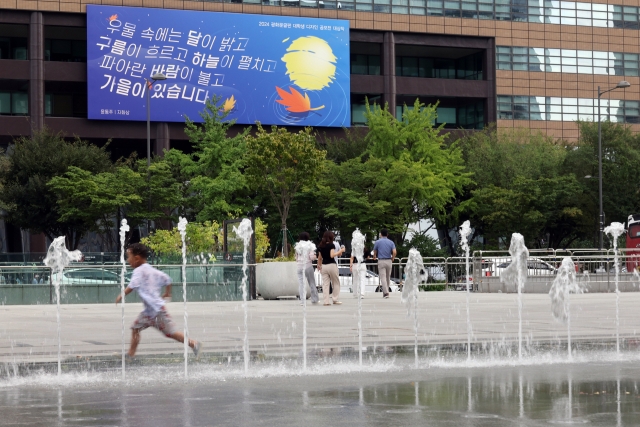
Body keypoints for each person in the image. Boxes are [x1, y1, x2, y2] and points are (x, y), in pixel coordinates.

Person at [115, 243, 201, 359]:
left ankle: (193, 344)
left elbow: (132, 285)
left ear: (137, 258)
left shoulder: (139, 271)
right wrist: (167, 292)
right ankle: (130, 354)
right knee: (136, 328)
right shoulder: (152, 270)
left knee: (170, 333)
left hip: (156, 311)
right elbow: (167, 279)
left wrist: (122, 295)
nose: (127, 260)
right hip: (150, 311)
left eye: (129, 257)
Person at [316, 231, 345, 306]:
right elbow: (332, 255)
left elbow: (319, 258)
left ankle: (326, 301)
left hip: (324, 266)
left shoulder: (321, 246)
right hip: (332, 265)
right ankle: (335, 299)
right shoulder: (331, 245)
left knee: (325, 284)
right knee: (336, 282)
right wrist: (341, 251)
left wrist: (319, 266)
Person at [295, 232, 319, 305]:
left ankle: (302, 301)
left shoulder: (297, 246)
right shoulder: (310, 246)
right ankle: (314, 299)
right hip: (308, 266)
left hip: (299, 267)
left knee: (301, 284)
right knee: (311, 283)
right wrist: (315, 256)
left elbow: (296, 258)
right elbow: (311, 257)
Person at [373, 229, 396, 299]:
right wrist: (393, 258)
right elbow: (394, 252)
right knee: (388, 277)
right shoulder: (391, 242)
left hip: (381, 260)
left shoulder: (377, 242)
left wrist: (374, 256)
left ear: (381, 234)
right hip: (389, 260)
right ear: (387, 234)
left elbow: (375, 251)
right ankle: (386, 292)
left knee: (383, 277)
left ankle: (386, 292)